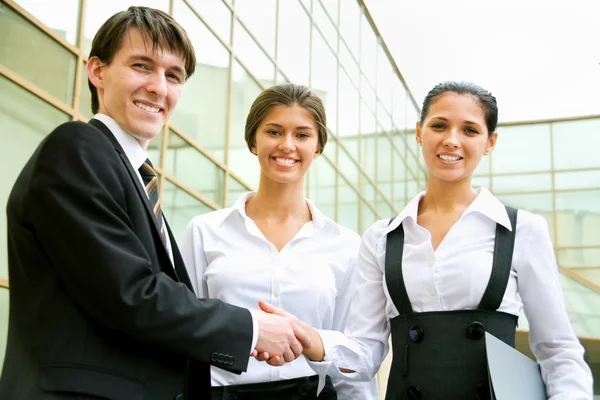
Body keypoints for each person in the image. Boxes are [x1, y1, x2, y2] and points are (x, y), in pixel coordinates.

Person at [0, 7, 310, 400]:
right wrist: (249, 328)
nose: (158, 88)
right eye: (142, 66)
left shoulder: (132, 174)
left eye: (173, 76)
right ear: (97, 71)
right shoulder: (77, 149)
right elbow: (128, 292)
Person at [261, 81, 594, 399]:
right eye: (439, 126)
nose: (451, 140)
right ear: (419, 132)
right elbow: (364, 355)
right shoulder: (382, 237)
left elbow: (557, 349)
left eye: (470, 130)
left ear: (490, 142)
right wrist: (313, 340)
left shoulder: (522, 230)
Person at [181, 83, 378, 400]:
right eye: (274, 132)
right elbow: (187, 330)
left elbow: (353, 355)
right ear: (254, 140)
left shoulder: (345, 245)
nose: (287, 145)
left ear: (317, 146)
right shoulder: (205, 231)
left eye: (302, 135)